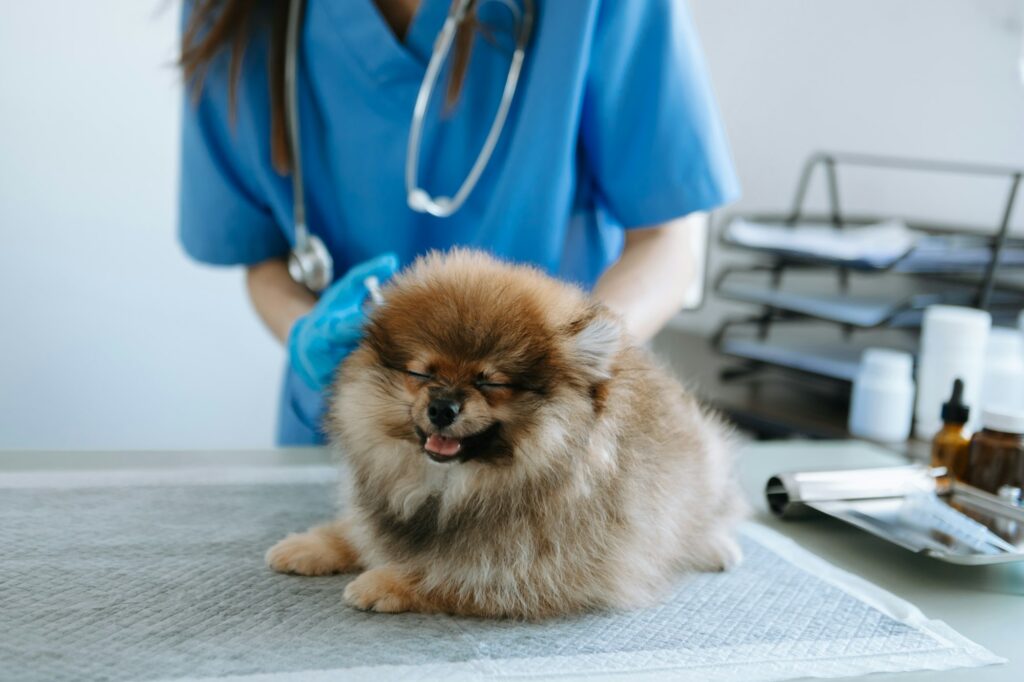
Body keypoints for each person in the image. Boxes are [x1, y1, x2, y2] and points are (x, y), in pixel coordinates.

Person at [178, 0, 739, 445]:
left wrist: (579, 359)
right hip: (348, 429)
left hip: (529, 431)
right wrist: (308, 336)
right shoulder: (229, 11)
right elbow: (263, 256)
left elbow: (666, 240)